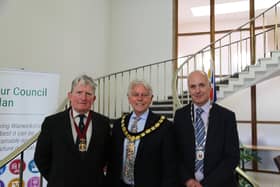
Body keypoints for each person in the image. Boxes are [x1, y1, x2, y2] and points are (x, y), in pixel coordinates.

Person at [34, 74, 111, 187]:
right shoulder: (52, 123)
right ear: (70, 96)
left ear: (93, 99)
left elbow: (107, 156)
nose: (83, 98)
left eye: (88, 94)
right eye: (79, 92)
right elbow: (41, 157)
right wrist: (56, 179)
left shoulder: (103, 123)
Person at [105, 79, 178, 187]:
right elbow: (112, 161)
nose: (140, 98)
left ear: (151, 99)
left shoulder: (164, 126)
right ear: (129, 98)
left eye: (144, 95)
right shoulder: (118, 125)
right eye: (135, 95)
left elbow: (169, 166)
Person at [173, 70, 240, 187]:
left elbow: (232, 157)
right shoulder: (180, 116)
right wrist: (188, 180)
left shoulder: (226, 117)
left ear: (209, 87)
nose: (197, 91)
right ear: (189, 90)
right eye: (193, 86)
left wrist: (205, 184)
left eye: (201, 85)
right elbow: (175, 154)